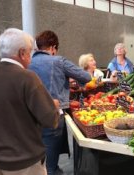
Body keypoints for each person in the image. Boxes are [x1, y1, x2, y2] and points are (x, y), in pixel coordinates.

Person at [0, 28, 60, 175]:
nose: (31, 58)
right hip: (25, 163)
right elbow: (50, 120)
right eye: (30, 52)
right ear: (22, 53)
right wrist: (53, 105)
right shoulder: (28, 78)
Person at [29, 30, 91, 175]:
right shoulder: (58, 61)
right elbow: (86, 76)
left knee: (36, 158)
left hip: (30, 117)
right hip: (52, 115)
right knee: (51, 164)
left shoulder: (27, 61)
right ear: (52, 47)